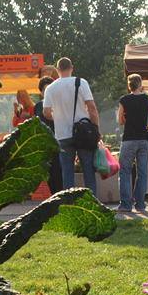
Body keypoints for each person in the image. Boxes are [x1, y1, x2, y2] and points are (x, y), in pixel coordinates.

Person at [43, 57, 100, 197]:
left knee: (67, 172)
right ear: (72, 67)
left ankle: (69, 203)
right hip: (83, 133)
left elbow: (46, 112)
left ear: (57, 70)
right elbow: (92, 108)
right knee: (88, 170)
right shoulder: (81, 83)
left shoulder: (50, 88)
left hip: (62, 134)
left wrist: (57, 117)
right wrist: (97, 129)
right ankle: (92, 202)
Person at [117, 74, 148, 212]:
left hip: (129, 139)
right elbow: (147, 118)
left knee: (125, 171)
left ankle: (126, 204)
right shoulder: (147, 99)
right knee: (142, 172)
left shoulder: (124, 100)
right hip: (143, 140)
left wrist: (127, 119)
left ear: (129, 85)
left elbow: (120, 121)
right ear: (140, 84)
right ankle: (140, 204)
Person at [34, 76, 62, 193]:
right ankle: (54, 195)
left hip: (59, 140)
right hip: (45, 143)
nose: (46, 92)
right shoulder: (38, 106)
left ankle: (61, 195)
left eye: (49, 89)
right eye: (44, 90)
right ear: (41, 92)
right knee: (49, 172)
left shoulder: (59, 104)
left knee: (60, 170)